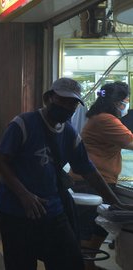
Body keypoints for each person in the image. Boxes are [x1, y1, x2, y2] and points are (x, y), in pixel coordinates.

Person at [0, 77, 133, 270]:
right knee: (21, 264)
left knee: (69, 261)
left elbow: (88, 170)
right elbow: (1, 161)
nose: (67, 106)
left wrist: (114, 201)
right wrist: (24, 195)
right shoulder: (23, 124)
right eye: (62, 100)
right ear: (49, 99)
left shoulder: (69, 134)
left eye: (73, 103)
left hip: (53, 210)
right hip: (16, 211)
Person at [72, 81, 133, 270]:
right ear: (116, 102)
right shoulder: (106, 119)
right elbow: (130, 141)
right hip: (92, 182)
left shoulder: (99, 117)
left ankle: (87, 264)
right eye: (125, 101)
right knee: (88, 234)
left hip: (97, 181)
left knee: (96, 233)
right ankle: (83, 265)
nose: (126, 105)